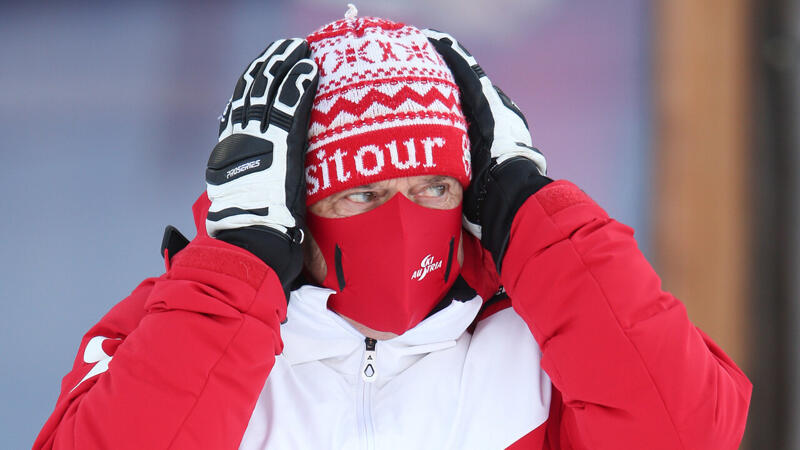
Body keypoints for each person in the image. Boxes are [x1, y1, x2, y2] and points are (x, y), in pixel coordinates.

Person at [34, 8, 751, 450]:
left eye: (434, 187)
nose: (404, 222)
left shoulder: (541, 332)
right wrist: (239, 268)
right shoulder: (179, 330)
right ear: (289, 201)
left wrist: (533, 209)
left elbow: (687, 432)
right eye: (364, 193)